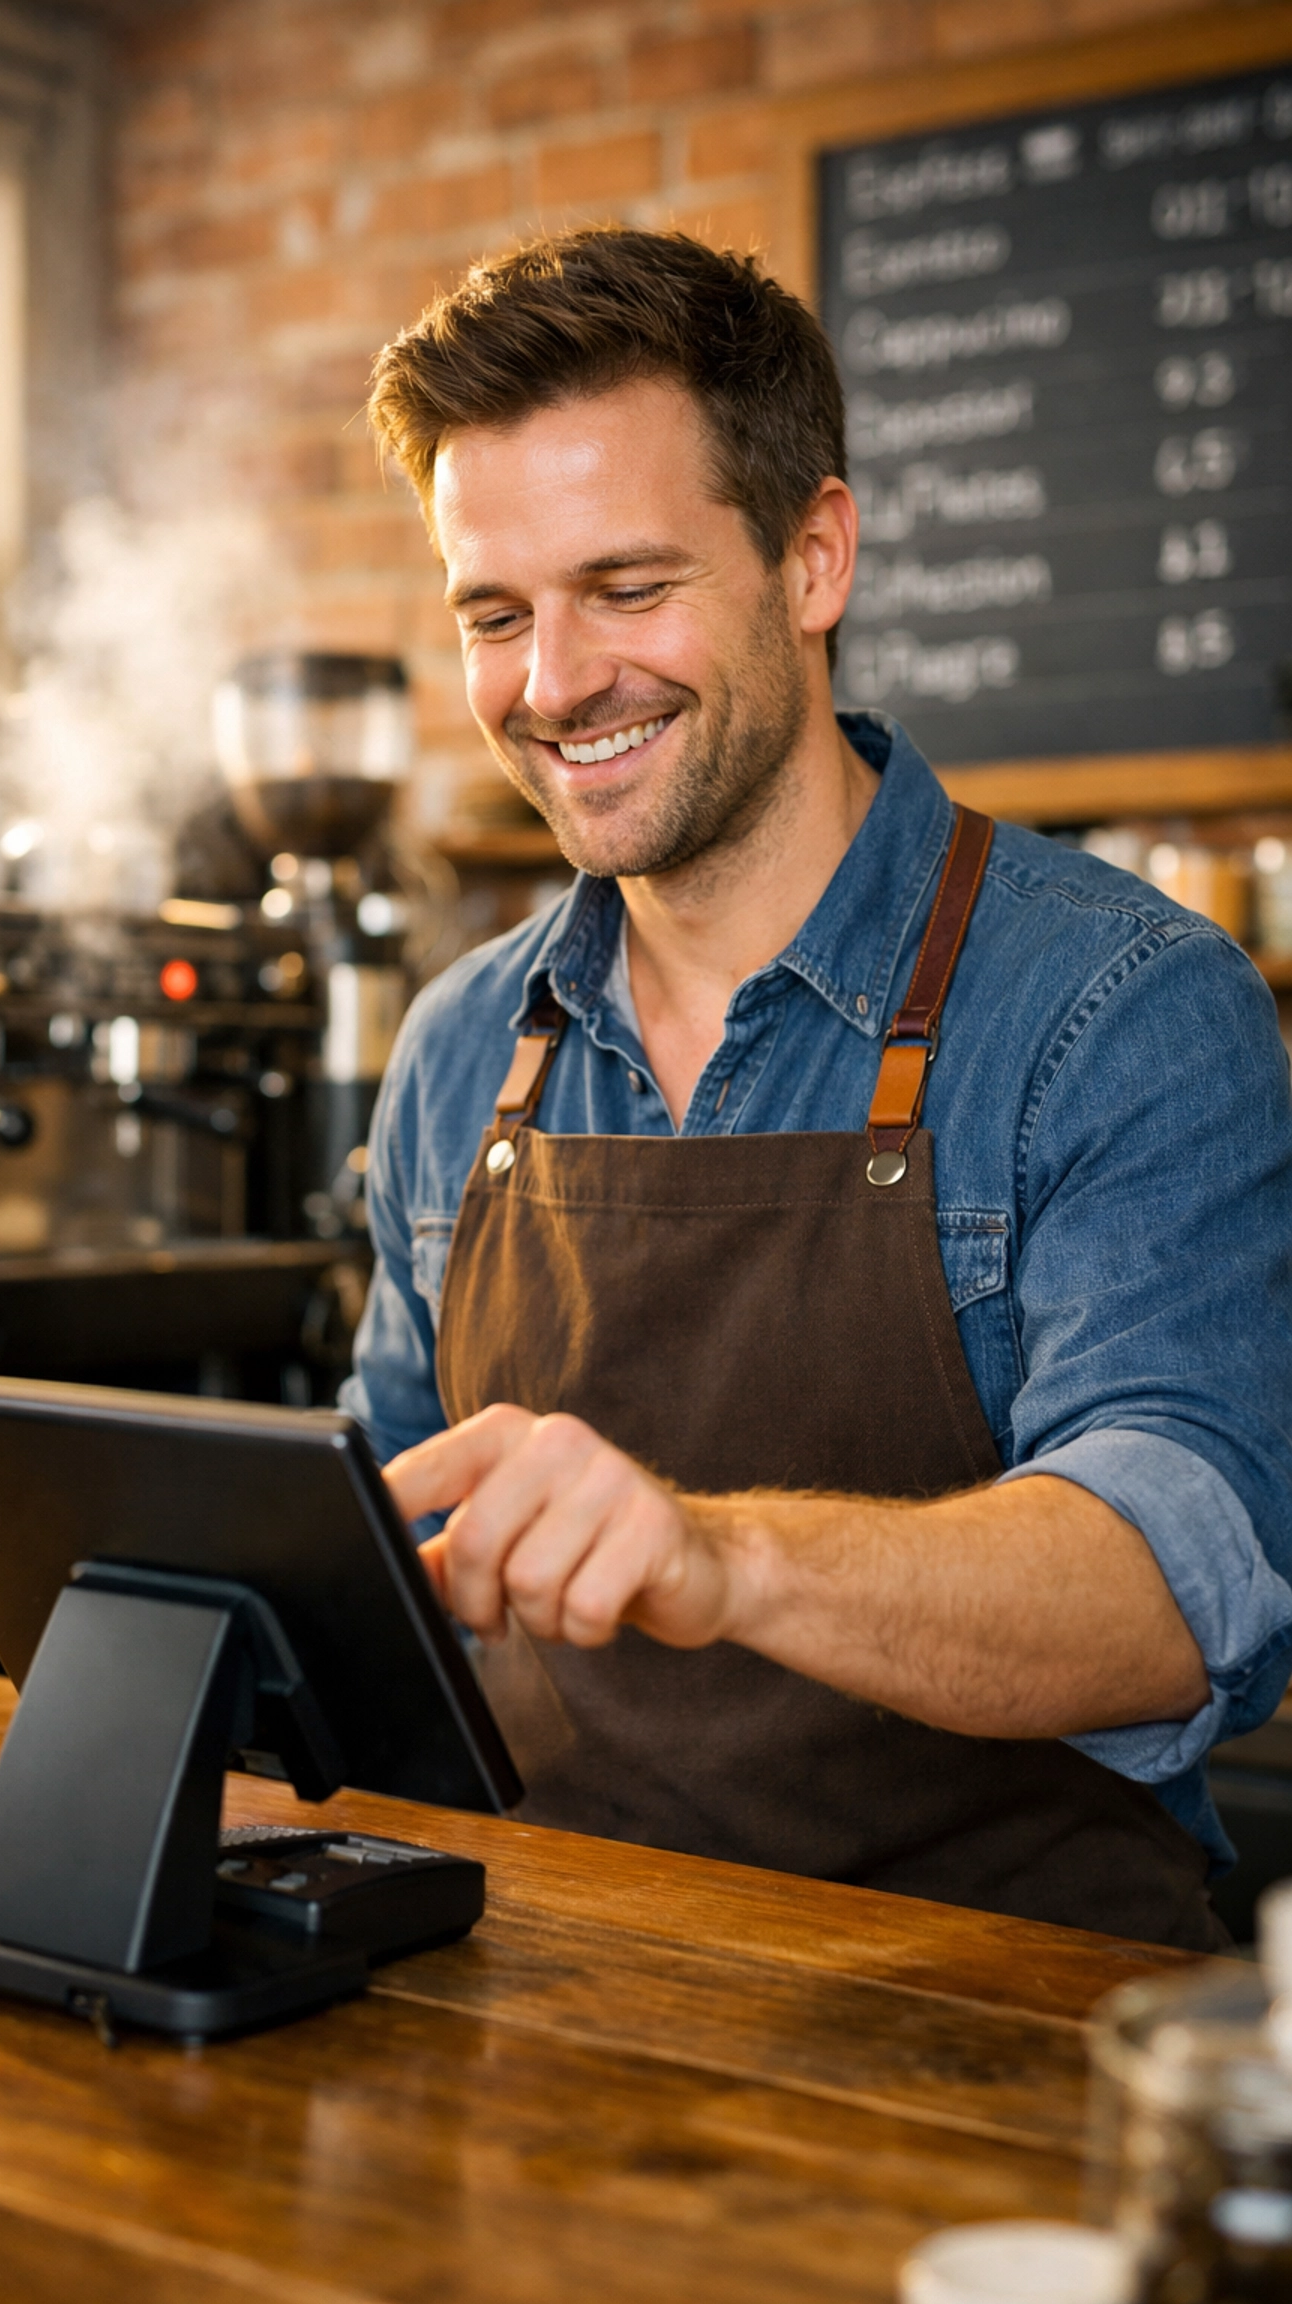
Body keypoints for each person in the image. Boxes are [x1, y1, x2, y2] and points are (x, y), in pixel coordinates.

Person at [342, 226, 1292, 1947]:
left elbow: (1181, 1587)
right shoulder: (460, 1051)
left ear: (814, 558)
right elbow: (386, 1553)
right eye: (498, 612)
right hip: (553, 1995)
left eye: (628, 590)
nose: (554, 686)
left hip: (997, 2033)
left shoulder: (1124, 1005)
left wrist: (725, 1563)